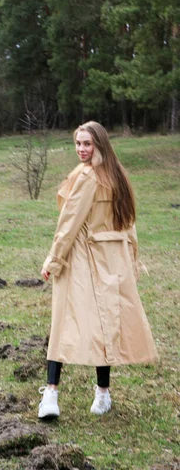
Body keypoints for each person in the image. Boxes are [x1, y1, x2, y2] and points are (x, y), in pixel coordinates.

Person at [38, 121, 158, 419]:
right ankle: (102, 394)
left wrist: (53, 260)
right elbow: (129, 224)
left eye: (87, 144)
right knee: (105, 327)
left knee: (62, 323)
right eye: (78, 143)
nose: (81, 149)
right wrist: (131, 258)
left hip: (80, 259)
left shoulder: (89, 177)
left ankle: (51, 395)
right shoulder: (117, 175)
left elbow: (69, 224)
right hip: (111, 261)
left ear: (99, 145)